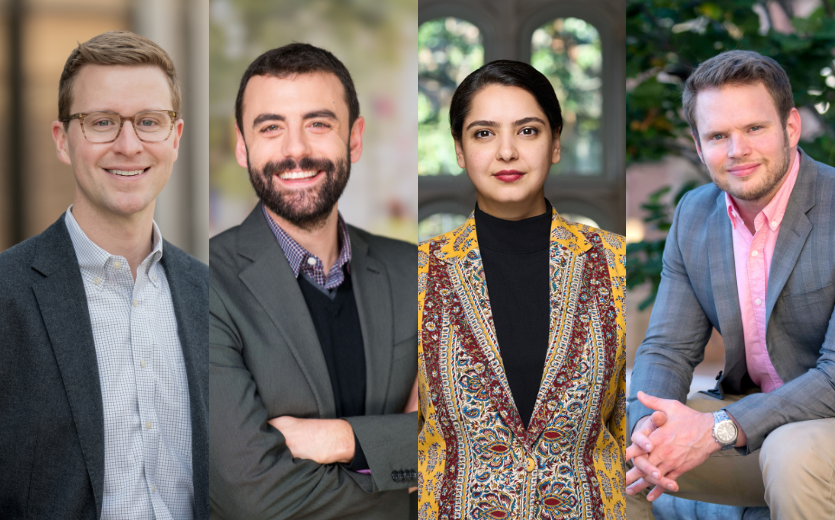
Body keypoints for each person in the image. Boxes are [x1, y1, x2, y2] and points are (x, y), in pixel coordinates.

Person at [0, 31, 208, 520]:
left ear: (175, 140)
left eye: (149, 122)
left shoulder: (212, 297)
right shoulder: (6, 295)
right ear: (63, 140)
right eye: (102, 122)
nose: (128, 144)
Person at [208, 43, 418, 520]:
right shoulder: (198, 286)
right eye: (271, 128)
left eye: (318, 124)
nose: (296, 150)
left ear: (355, 138)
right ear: (243, 146)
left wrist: (339, 439)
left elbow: (472, 439)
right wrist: (405, 464)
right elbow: (254, 498)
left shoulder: (413, 271)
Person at [626, 50, 835, 520]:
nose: (737, 150)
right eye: (718, 135)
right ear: (699, 147)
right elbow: (666, 349)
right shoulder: (694, 214)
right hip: (745, 420)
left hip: (820, 429)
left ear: (791, 127)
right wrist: (646, 429)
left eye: (754, 129)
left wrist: (717, 429)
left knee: (791, 452)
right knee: (604, 442)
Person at [417, 60, 627, 519]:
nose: (507, 152)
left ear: (555, 143)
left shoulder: (614, 264)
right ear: (459, 149)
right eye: (484, 133)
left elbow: (628, 427)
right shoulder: (417, 273)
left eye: (527, 131)